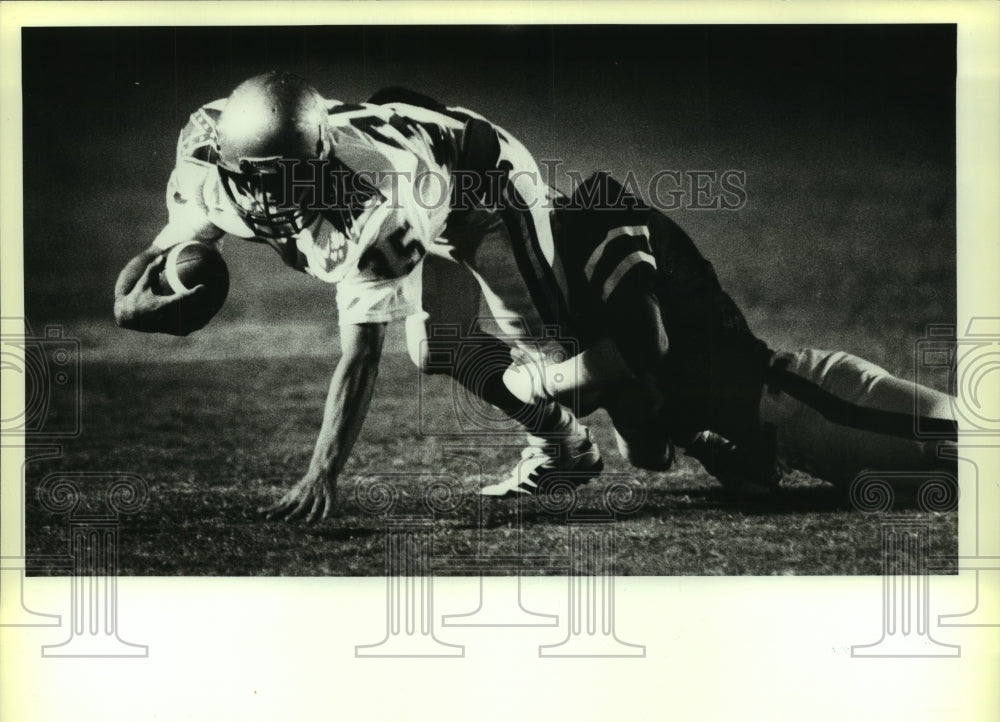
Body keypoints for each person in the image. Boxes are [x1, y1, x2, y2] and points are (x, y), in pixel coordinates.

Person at [114, 72, 601, 521]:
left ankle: (662, 379)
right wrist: (123, 301)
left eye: (294, 179)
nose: (276, 200)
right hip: (420, 175)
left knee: (560, 369)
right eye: (262, 182)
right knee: (439, 348)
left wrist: (322, 471)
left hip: (481, 180)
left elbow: (362, 355)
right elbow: (161, 249)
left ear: (322, 158)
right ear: (228, 162)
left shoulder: (373, 206)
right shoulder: (209, 160)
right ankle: (564, 446)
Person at [502, 172, 958, 492]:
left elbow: (646, 342)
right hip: (795, 434)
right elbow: (648, 449)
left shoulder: (591, 209)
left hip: (814, 402)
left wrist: (541, 382)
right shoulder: (570, 293)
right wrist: (708, 446)